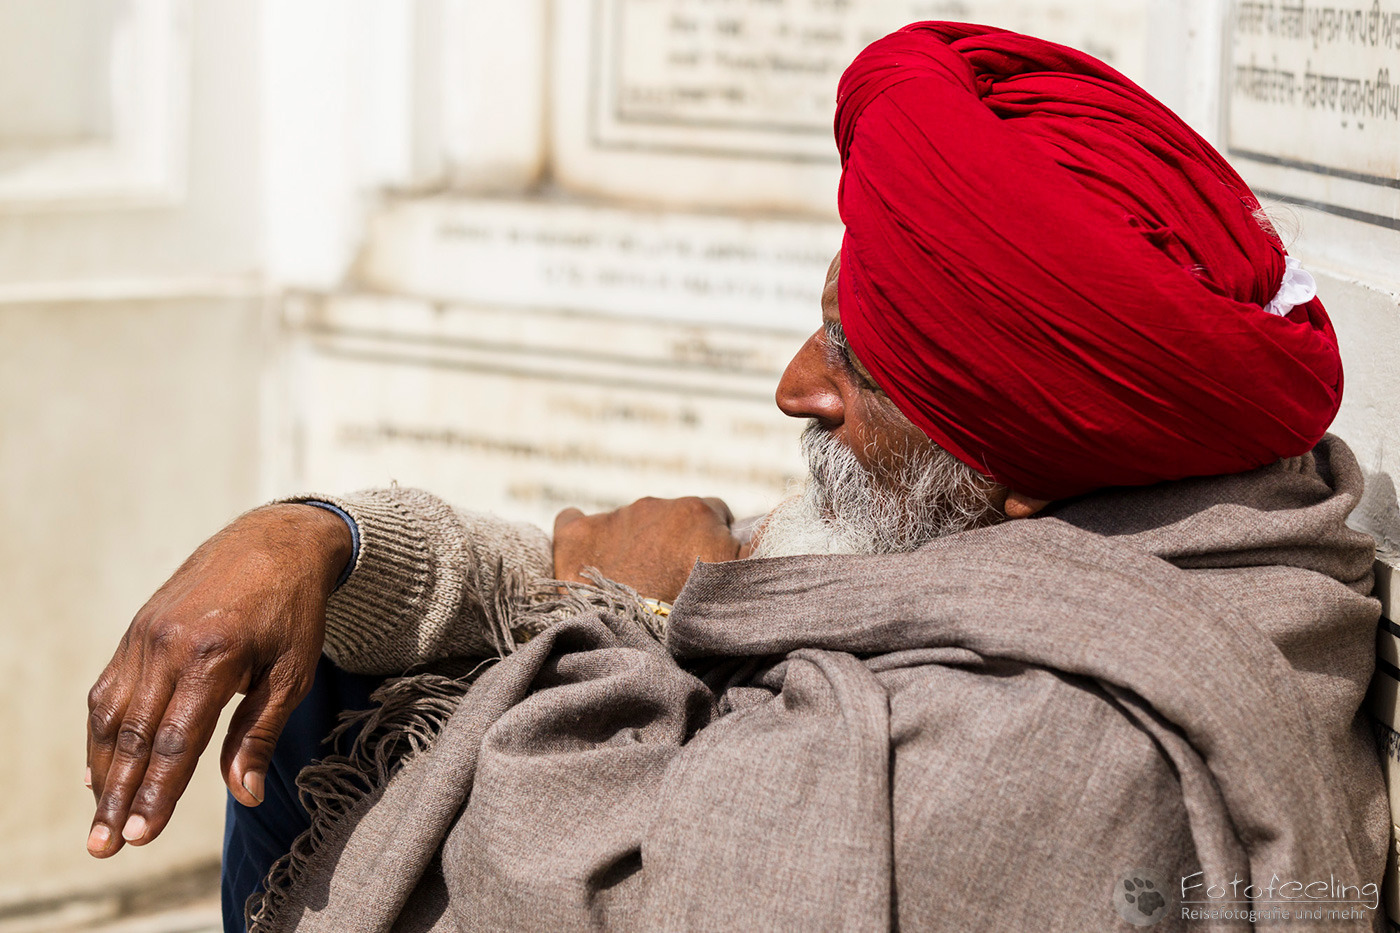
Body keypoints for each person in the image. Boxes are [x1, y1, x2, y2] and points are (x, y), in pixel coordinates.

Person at [85, 22, 1387, 932]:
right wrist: (312, 536)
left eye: (856, 366)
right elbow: (631, 554)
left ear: (1026, 473)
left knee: (345, 740)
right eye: (828, 324)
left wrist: (620, 605)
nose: (794, 386)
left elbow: (578, 870)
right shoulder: (1149, 515)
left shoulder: (1023, 759)